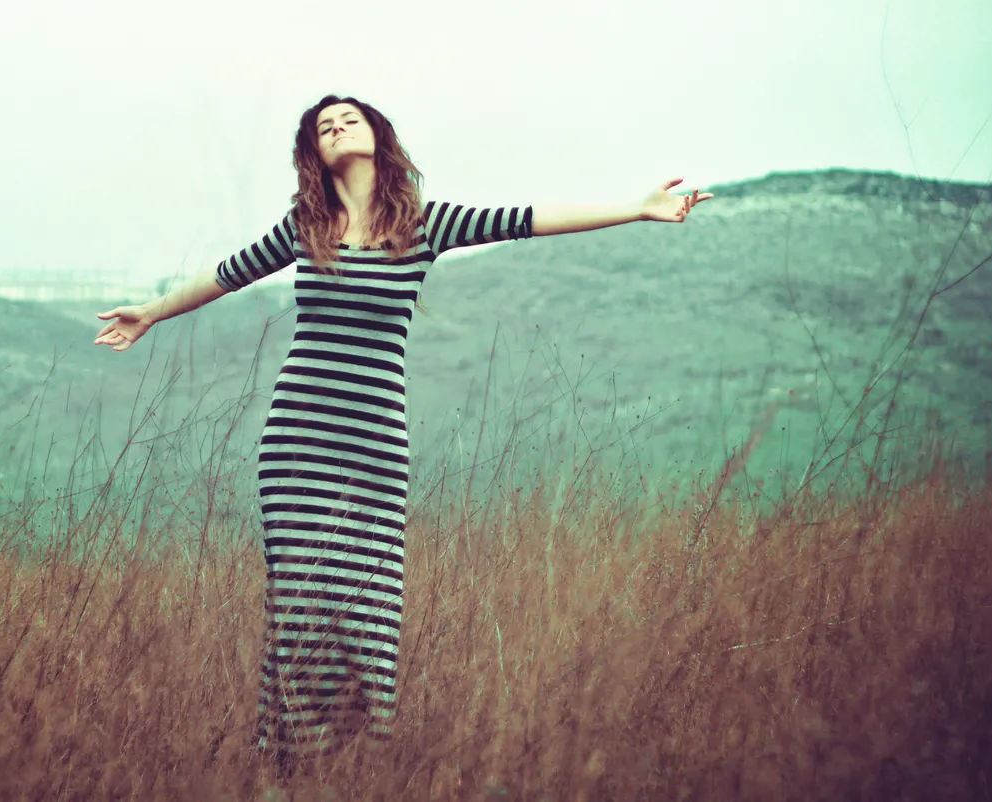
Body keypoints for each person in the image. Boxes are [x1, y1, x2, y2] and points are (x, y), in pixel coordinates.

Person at [95, 94, 712, 772]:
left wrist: (636, 207)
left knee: (367, 605)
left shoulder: (423, 224)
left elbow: (528, 219)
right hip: (298, 442)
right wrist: (149, 313)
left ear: (376, 135)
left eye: (348, 119)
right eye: (324, 126)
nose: (336, 128)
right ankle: (288, 761)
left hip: (375, 448)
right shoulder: (306, 226)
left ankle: (357, 760)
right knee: (302, 601)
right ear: (314, 152)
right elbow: (226, 275)